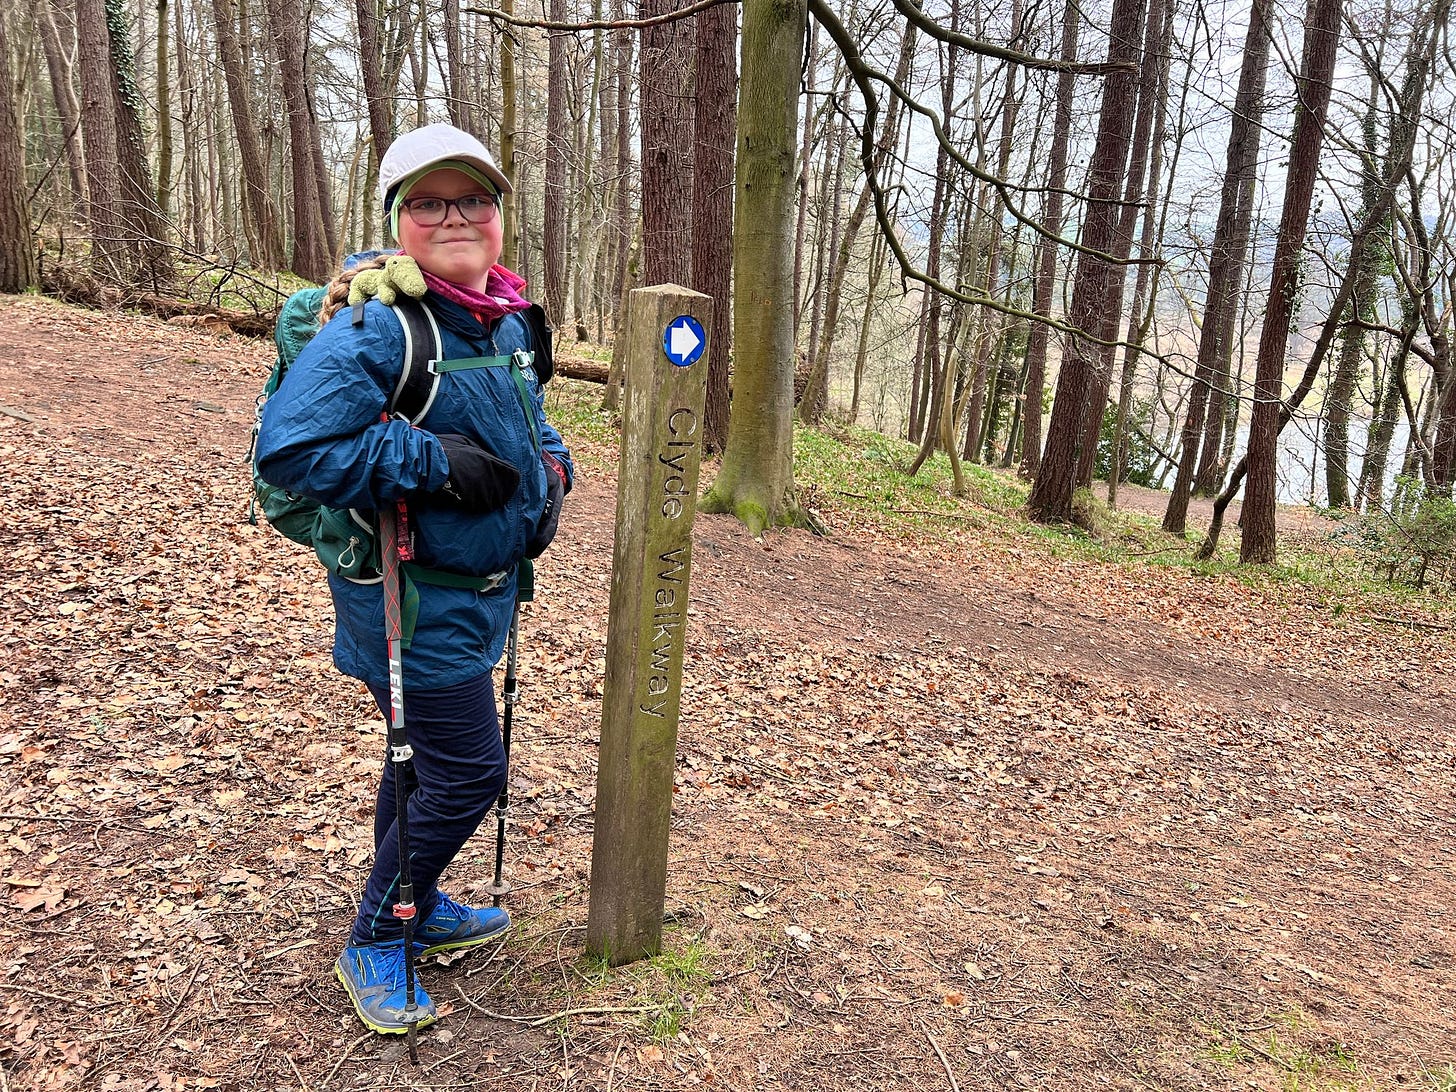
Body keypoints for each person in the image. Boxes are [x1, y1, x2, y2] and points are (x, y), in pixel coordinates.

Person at [255, 123, 573, 1035]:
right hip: (406, 604)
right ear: (400, 222)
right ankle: (375, 936)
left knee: (425, 767)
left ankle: (416, 903)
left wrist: (552, 477)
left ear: (499, 216)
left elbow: (530, 421)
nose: (456, 217)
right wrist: (429, 460)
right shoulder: (379, 323)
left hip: (477, 597)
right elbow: (295, 447)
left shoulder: (503, 318)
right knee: (470, 776)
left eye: (472, 199)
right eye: (429, 203)